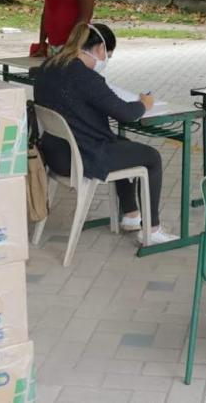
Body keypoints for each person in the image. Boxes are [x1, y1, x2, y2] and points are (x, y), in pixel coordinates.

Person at [33, 22, 177, 246]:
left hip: (54, 154)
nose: (105, 60)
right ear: (100, 48)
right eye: (108, 54)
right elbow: (126, 114)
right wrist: (144, 104)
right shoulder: (86, 77)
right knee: (151, 157)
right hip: (82, 156)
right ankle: (152, 230)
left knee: (123, 144)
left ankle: (131, 216)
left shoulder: (47, 67)